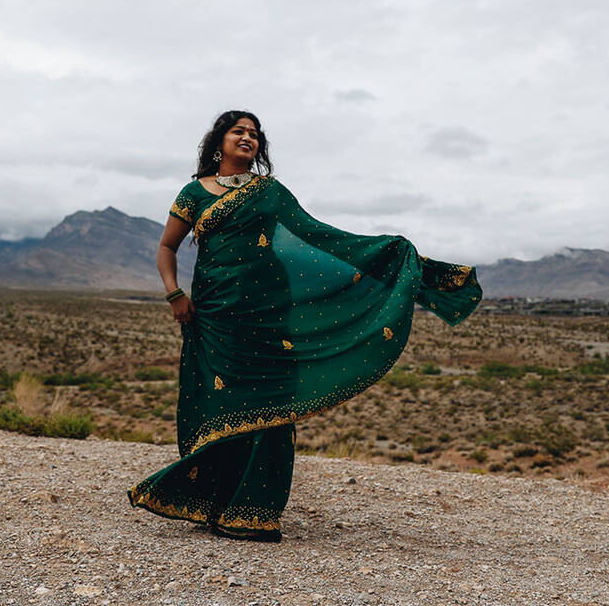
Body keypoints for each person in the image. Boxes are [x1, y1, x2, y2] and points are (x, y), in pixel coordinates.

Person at [127, 110, 482, 542]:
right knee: (218, 403)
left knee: (272, 402)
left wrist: (388, 253)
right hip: (216, 314)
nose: (248, 138)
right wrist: (173, 293)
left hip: (268, 314)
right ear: (218, 140)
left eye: (255, 134)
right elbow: (167, 247)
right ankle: (211, 500)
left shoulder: (269, 192)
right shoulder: (193, 193)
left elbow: (319, 238)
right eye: (238, 131)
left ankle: (254, 512)